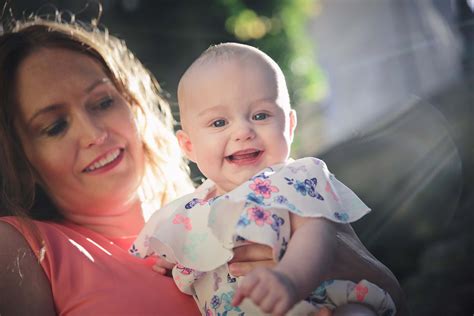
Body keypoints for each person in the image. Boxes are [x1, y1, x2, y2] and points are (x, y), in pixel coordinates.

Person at [0, 13, 407, 316]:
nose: (93, 134)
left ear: (133, 103)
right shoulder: (24, 247)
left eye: (104, 102)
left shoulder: (207, 207)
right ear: (19, 156)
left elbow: (391, 300)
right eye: (54, 126)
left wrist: (336, 259)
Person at [131, 43, 397, 316]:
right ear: (188, 146)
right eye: (219, 123)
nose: (243, 131)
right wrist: (174, 260)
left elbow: (316, 233)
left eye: (261, 115)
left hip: (318, 303)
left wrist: (289, 279)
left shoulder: (294, 179)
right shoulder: (187, 212)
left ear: (290, 127)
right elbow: (180, 253)